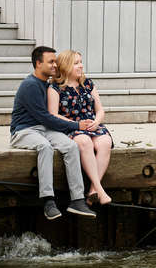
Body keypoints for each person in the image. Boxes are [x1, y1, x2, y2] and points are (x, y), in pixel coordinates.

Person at [9, 46, 97, 220]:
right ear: (38, 64)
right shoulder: (30, 85)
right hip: (24, 130)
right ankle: (48, 200)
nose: (55, 65)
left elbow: (48, 121)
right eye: (51, 62)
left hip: (44, 129)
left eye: (55, 62)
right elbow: (46, 117)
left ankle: (77, 200)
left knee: (71, 146)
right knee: (45, 147)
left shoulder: (48, 85)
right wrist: (76, 125)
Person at [47, 50, 113, 207]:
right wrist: (76, 125)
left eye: (81, 62)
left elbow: (100, 109)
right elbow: (53, 115)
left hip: (92, 125)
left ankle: (92, 190)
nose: (81, 66)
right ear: (66, 66)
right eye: (76, 63)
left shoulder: (88, 83)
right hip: (71, 127)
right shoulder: (55, 88)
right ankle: (100, 189)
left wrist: (97, 121)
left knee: (105, 142)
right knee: (84, 142)